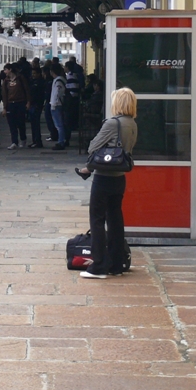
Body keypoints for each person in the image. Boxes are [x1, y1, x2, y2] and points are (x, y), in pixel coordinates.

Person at [75, 88, 138, 278]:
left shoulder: (112, 123)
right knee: (115, 220)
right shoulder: (132, 124)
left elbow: (93, 146)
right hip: (119, 178)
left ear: (117, 103)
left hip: (103, 178)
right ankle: (116, 264)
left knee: (97, 220)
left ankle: (98, 266)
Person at [0, 63, 30, 149]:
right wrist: (5, 107)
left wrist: (28, 102)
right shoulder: (6, 81)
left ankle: (23, 138)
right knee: (11, 123)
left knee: (21, 122)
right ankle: (14, 142)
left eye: (5, 69)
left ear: (10, 70)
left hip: (20, 102)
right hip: (10, 104)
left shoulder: (20, 78)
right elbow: (4, 94)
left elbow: (26, 90)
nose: (4, 72)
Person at [48, 63, 68, 150]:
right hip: (59, 104)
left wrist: (53, 104)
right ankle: (63, 140)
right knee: (61, 124)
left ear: (52, 71)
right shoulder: (61, 79)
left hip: (56, 105)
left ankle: (61, 142)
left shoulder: (58, 81)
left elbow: (57, 94)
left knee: (59, 125)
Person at [26, 59, 45, 147]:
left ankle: (37, 142)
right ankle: (35, 141)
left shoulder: (39, 82)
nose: (33, 75)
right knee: (33, 124)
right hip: (33, 105)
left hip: (36, 105)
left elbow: (36, 94)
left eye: (34, 74)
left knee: (35, 124)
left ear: (39, 74)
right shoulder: (33, 81)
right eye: (32, 74)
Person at [42, 65, 58, 144]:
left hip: (50, 102)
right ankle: (53, 134)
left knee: (50, 119)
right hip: (51, 102)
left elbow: (48, 93)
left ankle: (53, 134)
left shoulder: (48, 81)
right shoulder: (52, 80)